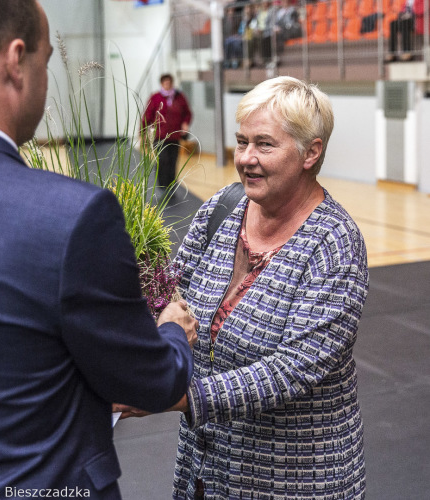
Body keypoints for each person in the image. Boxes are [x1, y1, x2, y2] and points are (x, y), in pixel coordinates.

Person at [0, 1, 197, 498]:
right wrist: (172, 333)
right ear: (15, 61)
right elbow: (152, 382)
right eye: (45, 59)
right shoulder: (70, 217)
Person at [118, 76, 370, 498]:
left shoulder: (335, 244)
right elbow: (170, 298)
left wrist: (176, 395)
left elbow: (290, 371)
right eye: (241, 141)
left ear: (312, 152)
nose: (246, 158)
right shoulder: (223, 207)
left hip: (296, 483)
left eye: (264, 144)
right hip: (203, 474)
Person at [141, 73, 192, 190]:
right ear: (162, 84)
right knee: (162, 160)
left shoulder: (179, 97)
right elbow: (147, 116)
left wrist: (185, 123)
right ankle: (162, 184)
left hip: (175, 135)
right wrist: (142, 132)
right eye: (165, 83)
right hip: (160, 136)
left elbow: (187, 113)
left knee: (173, 161)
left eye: (169, 83)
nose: (167, 85)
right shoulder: (155, 98)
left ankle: (171, 184)